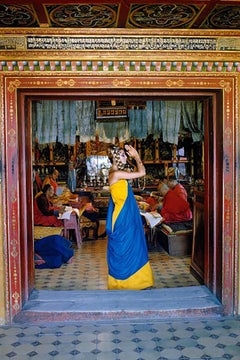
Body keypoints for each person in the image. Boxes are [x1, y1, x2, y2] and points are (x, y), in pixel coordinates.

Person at [106, 144, 154, 290]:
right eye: (122, 155)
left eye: (125, 155)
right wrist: (137, 156)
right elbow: (142, 172)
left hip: (126, 217)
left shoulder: (117, 172)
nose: (125, 157)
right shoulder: (116, 174)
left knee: (133, 247)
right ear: (115, 157)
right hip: (122, 220)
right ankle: (124, 283)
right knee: (124, 248)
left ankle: (136, 281)